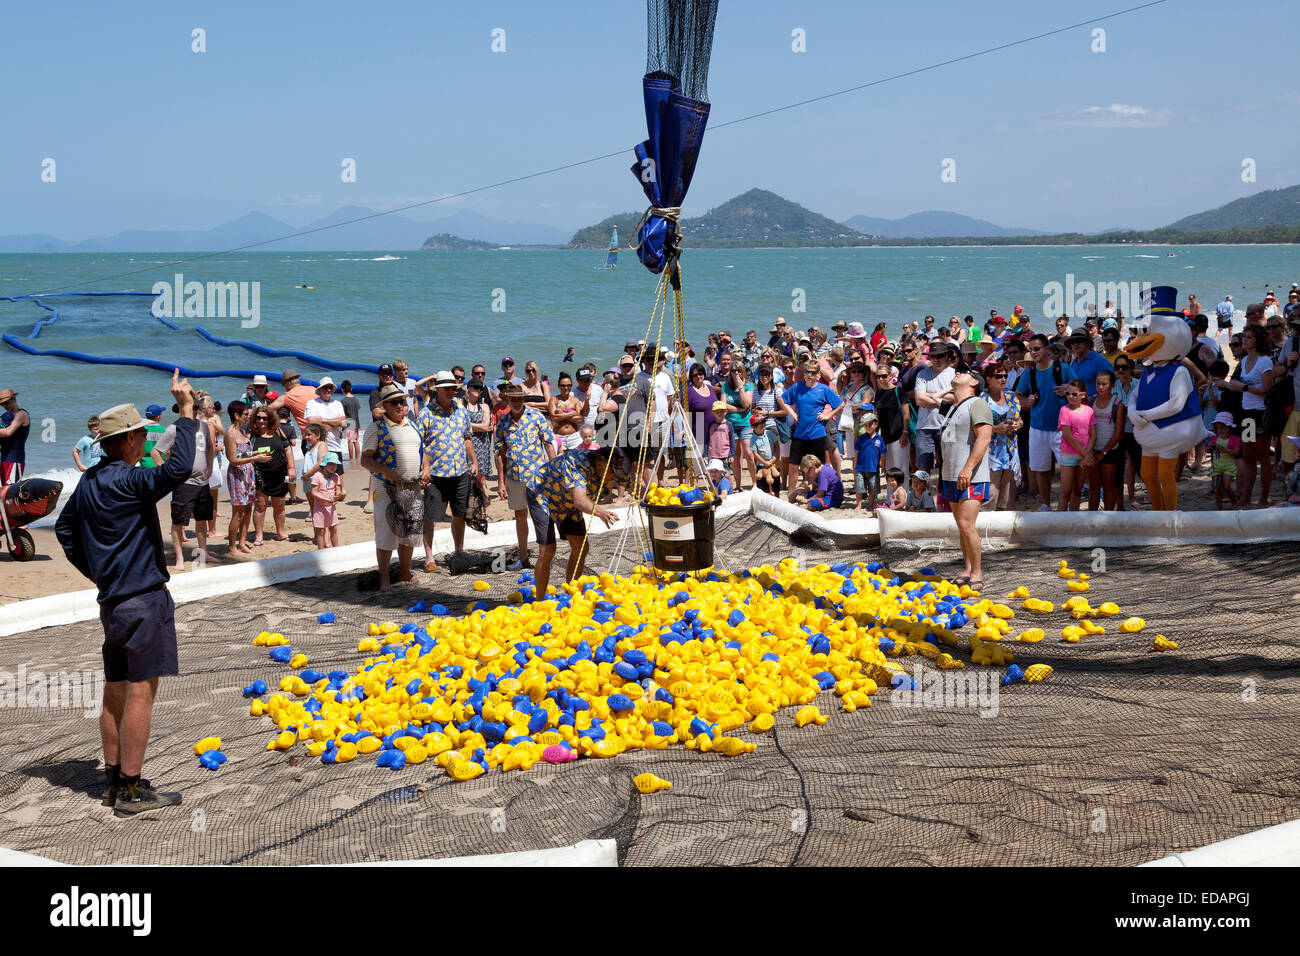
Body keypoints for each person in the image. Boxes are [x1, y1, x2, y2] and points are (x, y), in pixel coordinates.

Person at [54, 370, 197, 816]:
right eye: (140, 435)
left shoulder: (90, 483)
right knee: (140, 694)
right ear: (129, 442)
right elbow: (179, 468)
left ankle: (114, 778)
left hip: (112, 602)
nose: (143, 441)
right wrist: (187, 413)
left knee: (114, 691)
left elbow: (64, 530)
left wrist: (97, 573)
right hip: (143, 599)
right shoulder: (131, 481)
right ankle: (132, 789)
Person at [526, 446, 626, 598]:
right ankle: (539, 601)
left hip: (567, 503)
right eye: (612, 472)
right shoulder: (576, 463)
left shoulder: (609, 471)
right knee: (548, 550)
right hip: (543, 496)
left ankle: (571, 594)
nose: (613, 477)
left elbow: (630, 481)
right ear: (600, 464)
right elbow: (579, 501)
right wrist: (600, 512)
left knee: (581, 547)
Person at [362, 382, 430, 591]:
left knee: (409, 532)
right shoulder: (376, 428)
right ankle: (384, 579)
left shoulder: (413, 425)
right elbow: (365, 460)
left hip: (412, 488)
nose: (399, 405)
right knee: (386, 534)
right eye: (394, 403)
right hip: (386, 489)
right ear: (385, 406)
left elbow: (422, 452)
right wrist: (385, 471)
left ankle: (405, 573)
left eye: (401, 401)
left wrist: (426, 468)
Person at [936, 369, 993, 588]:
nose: (958, 372)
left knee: (966, 524)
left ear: (974, 382)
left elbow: (984, 437)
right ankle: (968, 568)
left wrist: (968, 469)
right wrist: (952, 388)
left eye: (965, 372)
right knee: (961, 526)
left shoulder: (977, 403)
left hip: (971, 475)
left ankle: (977, 573)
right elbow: (932, 399)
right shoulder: (953, 406)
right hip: (951, 474)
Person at [419, 370, 480, 571]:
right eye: (448, 389)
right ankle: (429, 558)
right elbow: (419, 445)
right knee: (430, 516)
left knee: (459, 514)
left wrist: (473, 461)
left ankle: (459, 551)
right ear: (438, 390)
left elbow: (467, 437)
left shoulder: (460, 410)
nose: (452, 392)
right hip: (435, 474)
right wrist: (424, 468)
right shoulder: (426, 413)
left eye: (454, 388)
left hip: (460, 472)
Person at [496, 382, 557, 571]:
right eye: (512, 399)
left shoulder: (536, 417)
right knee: (520, 516)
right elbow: (500, 453)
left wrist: (555, 471)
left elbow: (548, 444)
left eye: (519, 398)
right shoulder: (503, 423)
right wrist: (500, 482)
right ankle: (523, 559)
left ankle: (543, 557)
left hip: (537, 477)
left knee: (541, 517)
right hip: (514, 478)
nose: (516, 401)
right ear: (507, 400)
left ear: (524, 399)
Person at [155, 401, 218, 570]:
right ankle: (179, 558)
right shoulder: (174, 428)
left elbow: (210, 447)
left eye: (196, 408)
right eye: (191, 408)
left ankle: (203, 552)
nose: (194, 411)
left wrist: (210, 466)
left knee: (202, 519)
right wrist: (167, 473)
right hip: (184, 483)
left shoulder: (203, 426)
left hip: (202, 481)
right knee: (179, 521)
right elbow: (156, 452)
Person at [1221, 324, 1275, 507]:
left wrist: (1243, 387)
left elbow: (1268, 390)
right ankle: (1246, 496)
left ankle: (1264, 497)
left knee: (1263, 458)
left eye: (1249, 337)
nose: (1244, 339)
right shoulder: (1244, 361)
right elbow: (1239, 386)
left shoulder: (1264, 361)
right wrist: (1223, 384)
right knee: (1249, 457)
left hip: (1260, 414)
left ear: (1258, 340)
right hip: (1246, 415)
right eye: (1244, 336)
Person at [1016, 333, 1068, 511]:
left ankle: (1064, 504)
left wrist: (1068, 388)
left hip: (1062, 429)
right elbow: (1019, 394)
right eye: (1031, 349)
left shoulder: (1063, 369)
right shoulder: (1029, 373)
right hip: (1037, 429)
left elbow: (1080, 387)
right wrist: (1027, 402)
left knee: (1067, 470)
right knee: (1041, 470)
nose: (1034, 352)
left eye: (1037, 348)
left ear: (1047, 349)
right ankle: (1046, 504)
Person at [776, 360, 844, 491]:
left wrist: (828, 415)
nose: (809, 375)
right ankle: (791, 494)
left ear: (818, 374)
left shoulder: (823, 389)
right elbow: (781, 400)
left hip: (817, 434)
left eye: (813, 372)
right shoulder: (797, 387)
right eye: (807, 372)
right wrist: (792, 413)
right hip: (799, 434)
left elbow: (841, 404)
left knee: (818, 467)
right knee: (794, 466)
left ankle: (819, 493)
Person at [248, 405, 294, 545]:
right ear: (254, 419)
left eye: (265, 418)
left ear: (270, 419)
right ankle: (259, 535)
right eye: (259, 418)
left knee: (279, 506)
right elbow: (243, 455)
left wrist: (291, 468)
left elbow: (288, 450)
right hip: (260, 476)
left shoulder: (278, 431)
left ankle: (280, 533)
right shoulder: (251, 435)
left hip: (279, 476)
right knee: (260, 506)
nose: (261, 421)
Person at [910, 341, 958, 472]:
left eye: (939, 356)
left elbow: (955, 399)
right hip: (925, 426)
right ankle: (924, 493)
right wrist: (942, 399)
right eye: (933, 356)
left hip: (948, 425)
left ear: (946, 356)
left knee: (948, 466)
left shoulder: (954, 374)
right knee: (923, 468)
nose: (936, 360)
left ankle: (943, 493)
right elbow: (919, 400)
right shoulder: (922, 374)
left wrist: (930, 395)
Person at [981, 364, 1022, 511]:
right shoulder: (981, 399)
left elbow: (1019, 419)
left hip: (1010, 452)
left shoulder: (1011, 396)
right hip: (990, 453)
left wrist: (1018, 425)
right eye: (999, 376)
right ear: (988, 379)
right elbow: (975, 427)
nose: (1003, 379)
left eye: (1005, 376)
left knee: (1005, 499)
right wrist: (996, 428)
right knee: (990, 497)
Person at [1087, 369, 1125, 511]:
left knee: (1109, 487)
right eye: (1098, 384)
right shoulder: (1090, 402)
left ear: (1112, 385)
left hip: (1110, 451)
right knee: (1093, 488)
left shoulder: (1118, 405)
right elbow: (1085, 429)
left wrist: (1103, 452)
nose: (1100, 387)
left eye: (1104, 384)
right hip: (1092, 451)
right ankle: (1091, 519)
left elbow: (1118, 433)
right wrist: (1089, 451)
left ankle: (1108, 521)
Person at [1057, 379, 1096, 512]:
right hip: (1069, 455)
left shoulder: (1089, 411)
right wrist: (1086, 454)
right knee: (1065, 491)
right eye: (1068, 394)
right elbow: (1068, 436)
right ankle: (1061, 521)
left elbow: (1093, 434)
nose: (1070, 397)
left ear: (1083, 395)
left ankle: (1073, 521)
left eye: (1074, 394)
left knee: (1077, 490)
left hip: (1084, 455)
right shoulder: (1064, 410)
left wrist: (1087, 454)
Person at [266, 369, 318, 445]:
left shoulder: (288, 396)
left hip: (308, 438)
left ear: (289, 383)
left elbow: (268, 409)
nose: (284, 387)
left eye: (284, 384)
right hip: (324, 434)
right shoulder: (313, 389)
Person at [304, 377, 346, 470]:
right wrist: (335, 422)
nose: (328, 390)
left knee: (337, 481)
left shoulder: (338, 404)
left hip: (335, 446)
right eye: (325, 387)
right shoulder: (312, 403)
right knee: (318, 480)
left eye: (330, 387)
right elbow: (311, 421)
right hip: (317, 447)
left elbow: (343, 422)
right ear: (320, 389)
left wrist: (322, 421)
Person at [309, 452, 346, 549]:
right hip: (320, 507)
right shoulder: (317, 476)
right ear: (324, 465)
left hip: (331, 507)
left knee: (333, 529)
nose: (333, 467)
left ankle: (336, 550)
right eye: (331, 464)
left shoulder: (336, 476)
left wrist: (339, 495)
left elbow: (337, 489)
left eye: (335, 464)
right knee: (320, 531)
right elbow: (314, 492)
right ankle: (321, 551)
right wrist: (327, 499)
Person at [852, 407, 885, 512]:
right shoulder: (861, 438)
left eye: (870, 424)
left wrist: (883, 466)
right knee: (859, 487)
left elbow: (883, 454)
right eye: (865, 425)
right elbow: (856, 453)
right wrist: (854, 466)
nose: (868, 427)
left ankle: (870, 505)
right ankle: (859, 505)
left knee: (873, 488)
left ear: (875, 424)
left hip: (873, 468)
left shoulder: (879, 439)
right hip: (860, 467)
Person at [547, 371, 587, 451]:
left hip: (574, 436)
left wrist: (561, 414)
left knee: (576, 460)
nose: (566, 388)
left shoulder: (575, 400)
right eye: (563, 385)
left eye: (568, 385)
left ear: (571, 386)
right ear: (559, 386)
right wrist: (572, 413)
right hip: (559, 436)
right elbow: (555, 418)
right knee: (560, 461)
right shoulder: (553, 400)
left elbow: (579, 419)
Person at [1209, 412, 1240, 510]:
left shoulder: (1234, 439)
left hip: (1228, 466)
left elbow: (1236, 452)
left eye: (1223, 427)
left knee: (1226, 486)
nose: (1220, 430)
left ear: (1229, 427)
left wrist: (1224, 449)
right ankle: (1219, 509)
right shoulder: (1215, 438)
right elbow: (1207, 450)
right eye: (1218, 428)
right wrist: (1209, 447)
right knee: (1216, 489)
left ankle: (1234, 502)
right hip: (1216, 466)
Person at [751, 414, 780, 494]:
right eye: (761, 427)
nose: (763, 428)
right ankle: (765, 498)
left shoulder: (768, 433)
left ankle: (777, 496)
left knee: (776, 480)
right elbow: (755, 453)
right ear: (754, 427)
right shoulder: (753, 439)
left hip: (773, 462)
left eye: (764, 426)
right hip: (761, 465)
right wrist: (764, 462)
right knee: (762, 485)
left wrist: (775, 457)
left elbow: (776, 445)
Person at [338, 380, 362, 464]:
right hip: (356, 421)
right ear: (351, 388)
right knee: (356, 440)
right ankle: (357, 458)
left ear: (342, 390)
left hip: (348, 422)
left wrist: (341, 426)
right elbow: (358, 409)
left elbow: (342, 415)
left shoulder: (343, 401)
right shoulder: (355, 399)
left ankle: (351, 459)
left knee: (350, 441)